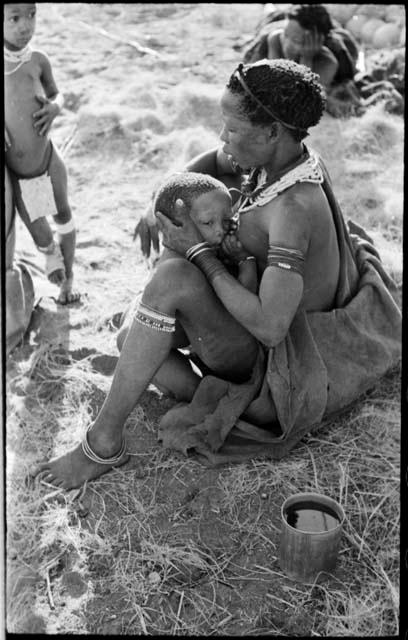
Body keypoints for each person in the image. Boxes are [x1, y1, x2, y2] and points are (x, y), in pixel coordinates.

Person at [33, 59, 401, 489]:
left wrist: (201, 254)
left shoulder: (293, 209)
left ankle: (103, 443)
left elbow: (270, 327)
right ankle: (214, 394)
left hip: (284, 358)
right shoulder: (281, 157)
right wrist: (163, 198)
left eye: (232, 128)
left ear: (271, 132)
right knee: (130, 338)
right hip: (254, 319)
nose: (224, 137)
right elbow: (213, 159)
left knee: (170, 282)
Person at [4, 3, 80, 305]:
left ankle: (69, 279)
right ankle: (53, 259)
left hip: (49, 159)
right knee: (41, 234)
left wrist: (56, 107)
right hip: (22, 174)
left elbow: (56, 93)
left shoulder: (38, 60)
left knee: (64, 214)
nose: (26, 25)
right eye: (15, 18)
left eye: (32, 15)